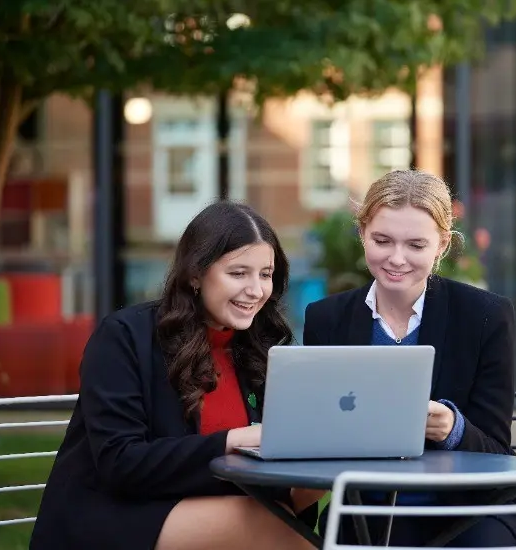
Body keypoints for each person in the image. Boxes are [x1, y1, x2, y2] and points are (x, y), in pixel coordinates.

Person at [30, 201, 322, 550]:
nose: (256, 290)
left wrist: (306, 478)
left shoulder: (258, 349)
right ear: (195, 274)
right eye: (238, 273)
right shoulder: (124, 336)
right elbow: (121, 463)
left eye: (265, 274)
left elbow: (264, 481)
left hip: (220, 513)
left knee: (278, 512)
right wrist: (233, 439)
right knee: (264, 522)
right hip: (116, 512)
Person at [303, 169, 516, 547]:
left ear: (442, 245)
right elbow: (318, 435)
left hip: (475, 511)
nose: (397, 259)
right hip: (370, 512)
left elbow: (497, 450)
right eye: (382, 241)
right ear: (362, 235)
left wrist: (452, 428)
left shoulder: (485, 316)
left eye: (416, 245)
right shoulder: (327, 319)